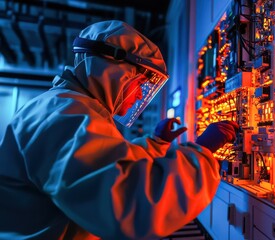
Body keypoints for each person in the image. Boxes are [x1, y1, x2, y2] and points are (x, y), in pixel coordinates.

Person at [0, 20, 238, 239]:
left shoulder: (70, 108)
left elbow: (108, 165)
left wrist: (155, 143)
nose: (137, 97)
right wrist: (201, 153)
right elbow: (130, 205)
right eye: (140, 84)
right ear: (115, 69)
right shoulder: (64, 114)